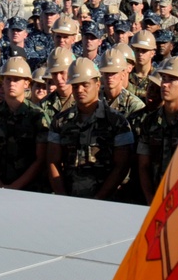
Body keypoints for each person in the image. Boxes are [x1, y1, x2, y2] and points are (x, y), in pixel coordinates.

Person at [46, 57, 134, 199]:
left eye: (85, 85)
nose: (79, 90)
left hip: (106, 201)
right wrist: (62, 197)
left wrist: (98, 199)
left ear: (97, 85)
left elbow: (122, 166)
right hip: (69, 198)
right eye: (75, 86)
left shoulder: (117, 122)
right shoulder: (60, 121)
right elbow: (53, 162)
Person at [0, 57, 49, 191]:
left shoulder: (37, 116)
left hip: (29, 189)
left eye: (17, 79)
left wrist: (14, 187)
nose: (12, 84)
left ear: (27, 83)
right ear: (2, 82)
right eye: (8, 79)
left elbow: (40, 159)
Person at [137, 56, 178, 201]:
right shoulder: (150, 122)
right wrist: (150, 199)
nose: (165, 85)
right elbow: (143, 166)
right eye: (164, 78)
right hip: (154, 199)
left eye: (171, 80)